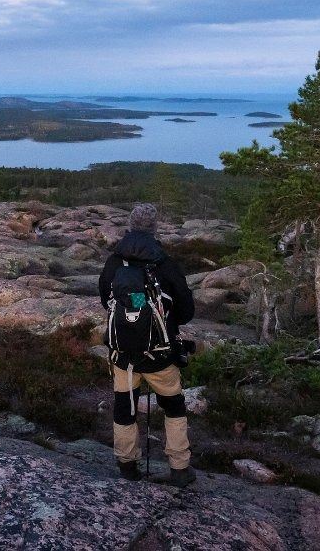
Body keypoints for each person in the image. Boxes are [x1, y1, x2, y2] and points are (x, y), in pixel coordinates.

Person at [99, 203, 196, 486]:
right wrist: (162, 322)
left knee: (124, 408)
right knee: (174, 406)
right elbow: (186, 309)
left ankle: (127, 466)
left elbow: (107, 299)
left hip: (123, 356)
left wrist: (132, 317)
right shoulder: (164, 263)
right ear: (154, 228)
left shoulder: (115, 262)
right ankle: (179, 468)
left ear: (130, 226)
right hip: (160, 355)